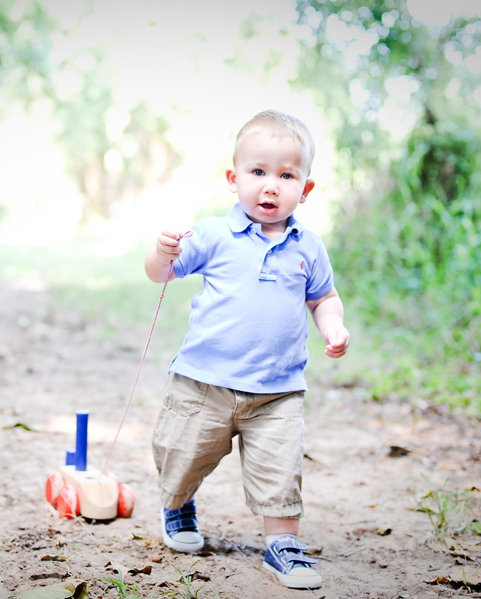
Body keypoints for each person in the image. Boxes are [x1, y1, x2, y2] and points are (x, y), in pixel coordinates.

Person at [143, 109, 350, 590]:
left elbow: (323, 298)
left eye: (286, 175)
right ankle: (177, 506)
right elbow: (160, 274)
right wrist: (161, 251)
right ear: (234, 179)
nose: (270, 185)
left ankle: (283, 545)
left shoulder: (309, 248)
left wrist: (333, 326)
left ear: (306, 187)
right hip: (204, 384)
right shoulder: (213, 234)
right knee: (182, 454)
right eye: (258, 173)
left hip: (276, 390)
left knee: (280, 470)